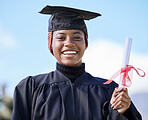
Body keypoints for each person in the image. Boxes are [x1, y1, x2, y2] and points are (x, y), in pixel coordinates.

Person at [11, 5, 142, 120]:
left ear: (86, 43)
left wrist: (121, 113)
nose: (69, 43)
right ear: (50, 43)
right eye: (61, 37)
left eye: (77, 37)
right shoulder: (31, 88)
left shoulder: (108, 90)